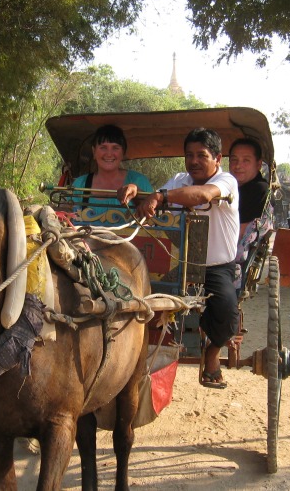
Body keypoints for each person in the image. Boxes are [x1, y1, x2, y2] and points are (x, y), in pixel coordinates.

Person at [118, 128, 239, 389]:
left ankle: (213, 352)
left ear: (218, 158)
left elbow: (203, 195)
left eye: (201, 155)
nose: (194, 161)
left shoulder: (226, 181)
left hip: (215, 268)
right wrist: (136, 189)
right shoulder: (178, 180)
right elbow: (153, 195)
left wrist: (161, 196)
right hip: (176, 263)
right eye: (189, 155)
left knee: (229, 311)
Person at [71, 124, 153, 216]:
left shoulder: (140, 181)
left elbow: (152, 220)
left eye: (115, 148)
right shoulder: (80, 184)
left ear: (123, 152)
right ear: (94, 152)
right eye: (103, 148)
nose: (109, 154)